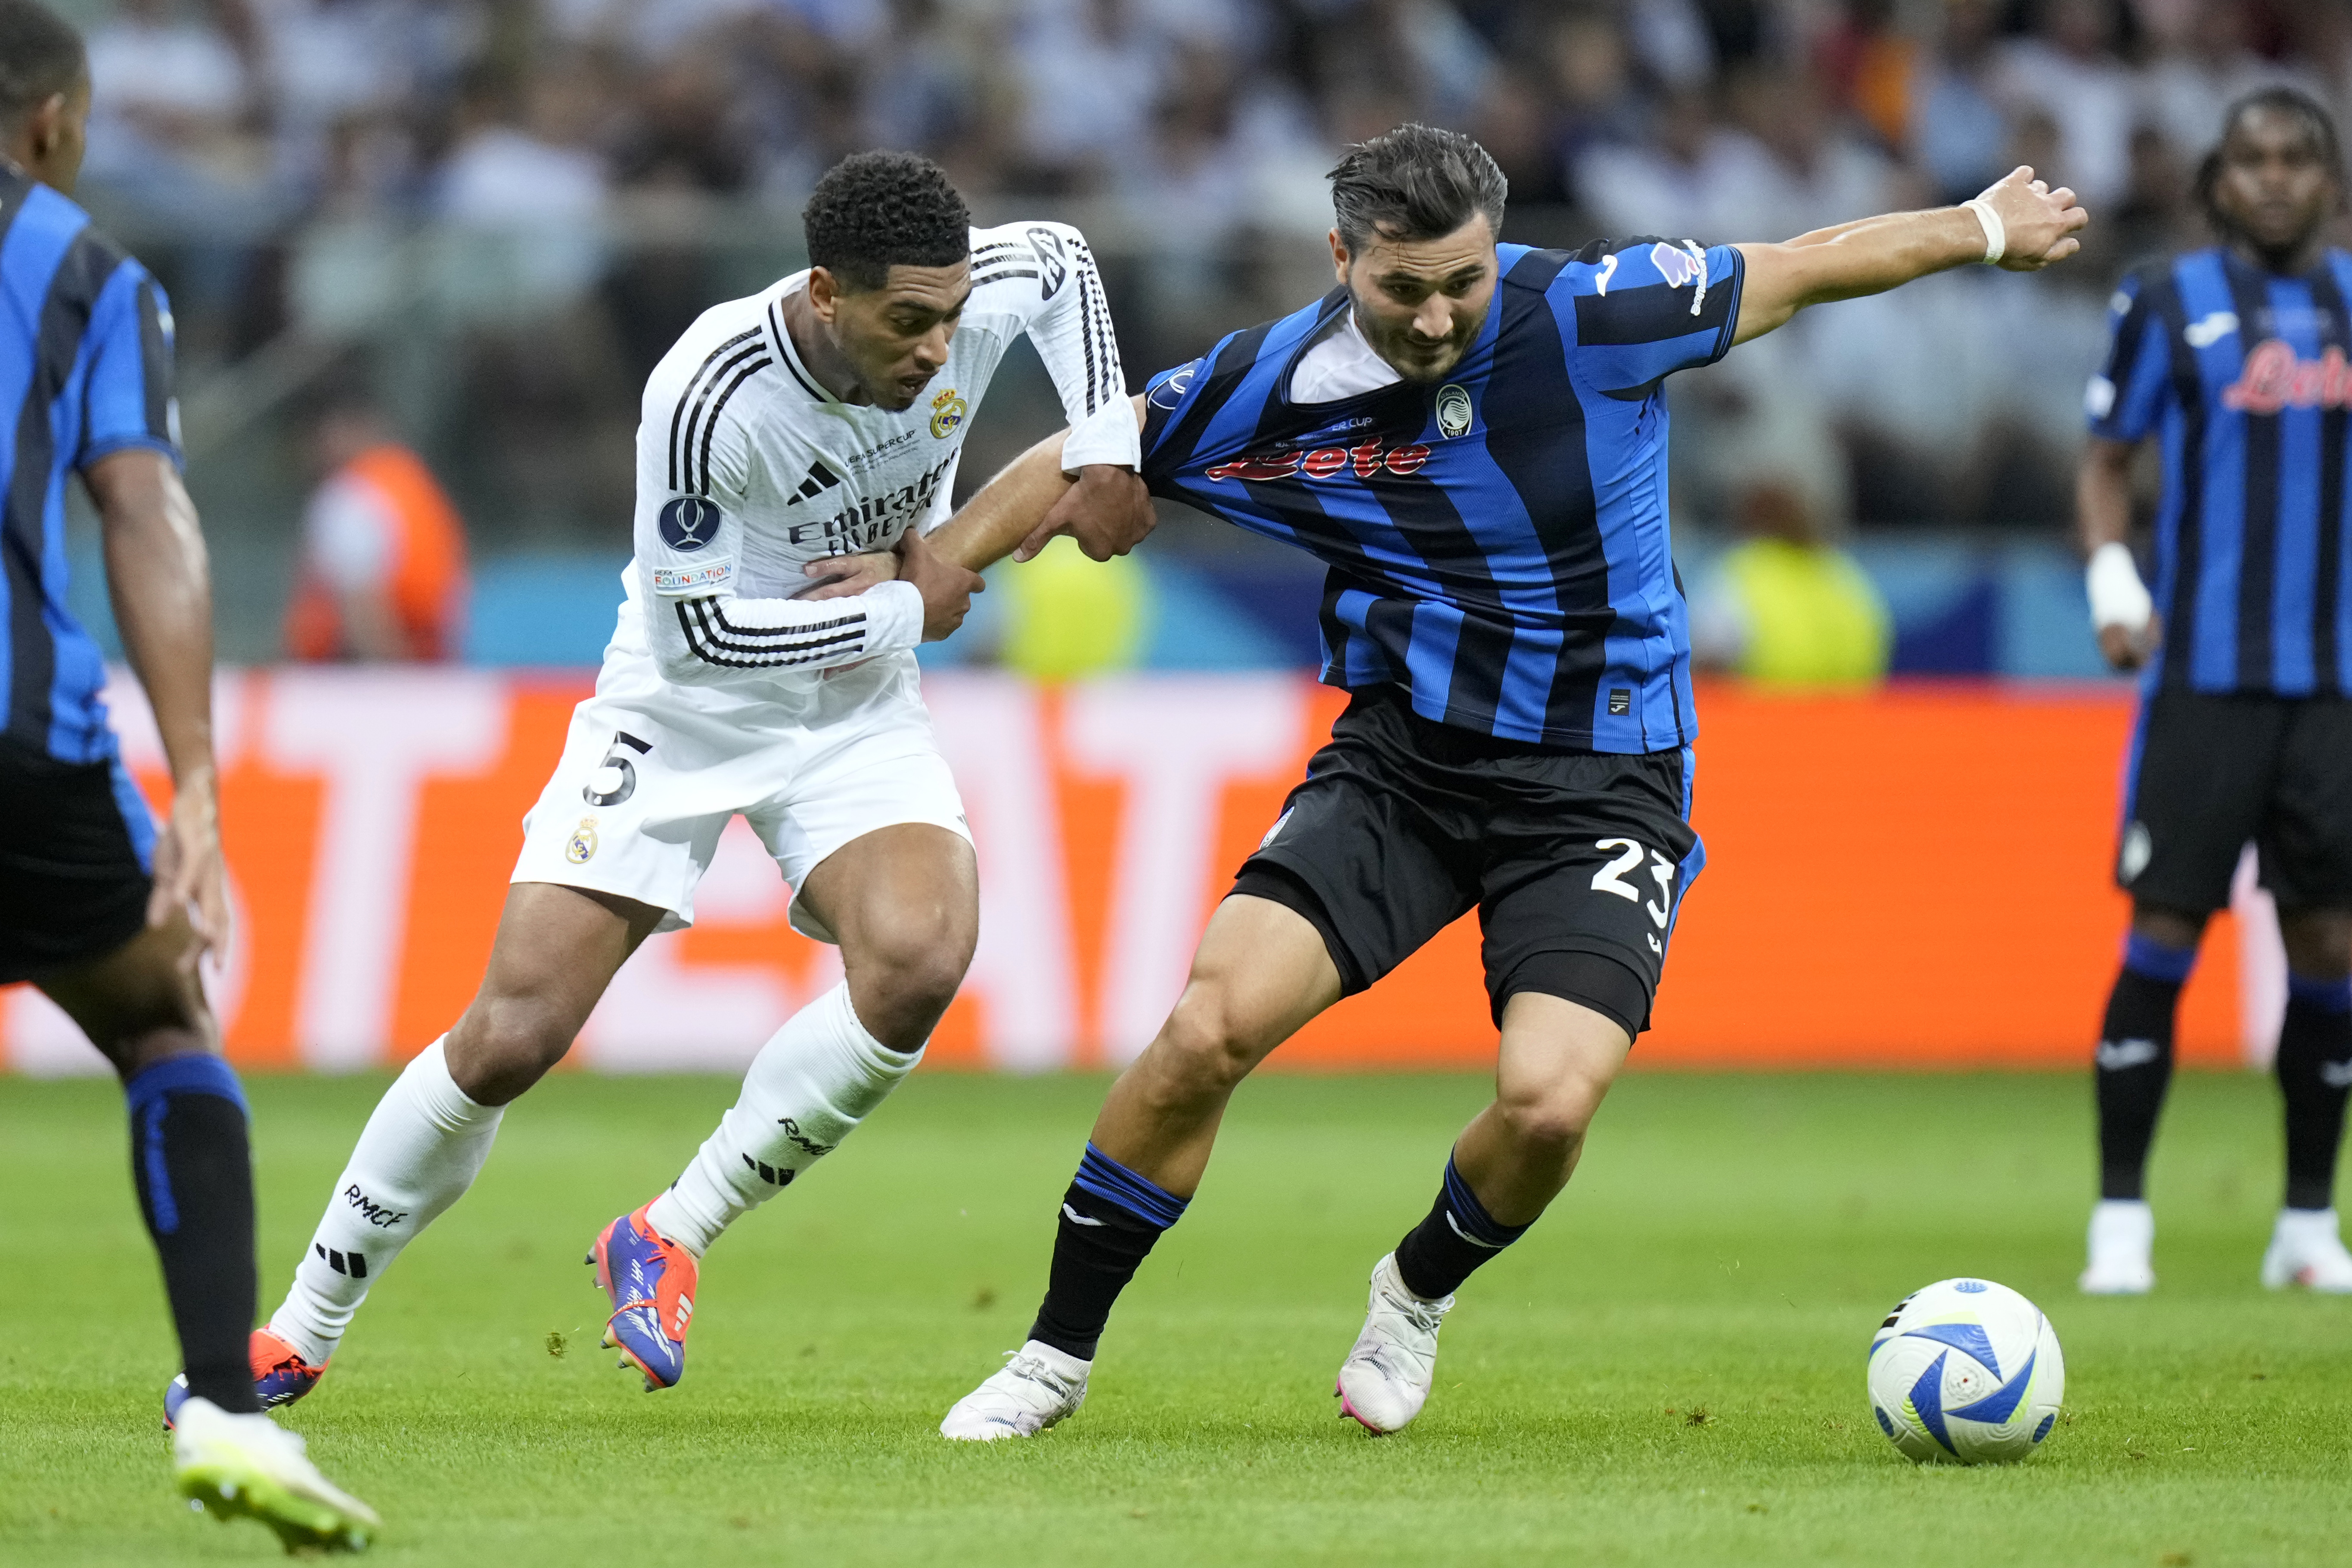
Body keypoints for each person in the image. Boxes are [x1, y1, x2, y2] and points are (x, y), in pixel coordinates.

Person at [917, 122, 2086, 1439]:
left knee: (1545, 1100)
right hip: (1402, 764)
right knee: (1204, 1030)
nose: (1432, 318)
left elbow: (1800, 265)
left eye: (1460, 283)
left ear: (1494, 250)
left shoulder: (1590, 313)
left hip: (1603, 777)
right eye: (1400, 288)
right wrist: (945, 560)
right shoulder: (1272, 379)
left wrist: (1979, 227)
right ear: (1341, 258)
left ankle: (1412, 1291)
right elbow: (1085, 448)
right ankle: (1052, 1357)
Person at [226, 151, 1154, 1407]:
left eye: (948, 316)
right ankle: (304, 1319)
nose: (940, 348)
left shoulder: (977, 288)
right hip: (683, 706)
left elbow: (1064, 265)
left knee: (921, 954)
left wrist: (1102, 442)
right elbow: (695, 638)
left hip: (849, 712)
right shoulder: (711, 389)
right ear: (826, 293)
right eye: (905, 322)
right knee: (511, 1035)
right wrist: (898, 603)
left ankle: (668, 1229)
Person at [0, 0, 375, 1549]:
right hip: (18, 740)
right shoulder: (84, 267)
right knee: (159, 1018)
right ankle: (227, 1407)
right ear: (57, 124)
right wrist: (201, 786)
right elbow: (145, 517)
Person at [2078, 87, 2352, 1296]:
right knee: (2163, 932)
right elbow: (2101, 459)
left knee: (2330, 944)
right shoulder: (2163, 298)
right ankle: (2118, 1223)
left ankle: (2303, 1224)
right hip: (2199, 681)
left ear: (2329, 180)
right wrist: (2107, 578)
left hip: (2334, 691)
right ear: (2215, 182)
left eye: (2298, 158)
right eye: (2252, 160)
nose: (2276, 178)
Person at [282, 398, 470, 662]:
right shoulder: (413, 480)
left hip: (348, 673)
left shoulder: (349, 495)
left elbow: (363, 611)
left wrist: (394, 681)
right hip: (427, 661)